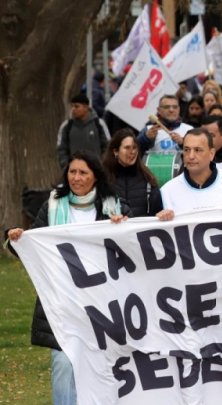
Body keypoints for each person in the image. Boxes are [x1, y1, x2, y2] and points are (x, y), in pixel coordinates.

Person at [6, 151, 129, 405]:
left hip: (102, 302)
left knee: (102, 365)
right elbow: (35, 244)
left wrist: (122, 226)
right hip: (62, 300)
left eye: (83, 172)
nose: (76, 177)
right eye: (72, 172)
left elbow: (131, 248)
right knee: (63, 364)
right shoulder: (52, 205)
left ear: (95, 176)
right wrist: (17, 238)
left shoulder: (114, 206)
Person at [157, 128, 222, 217]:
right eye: (186, 150)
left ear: (211, 154)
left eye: (198, 150)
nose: (191, 156)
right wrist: (161, 220)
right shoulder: (166, 192)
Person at [102, 129, 163, 217]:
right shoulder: (103, 179)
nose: (132, 152)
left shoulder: (148, 179)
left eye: (134, 147)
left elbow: (157, 213)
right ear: (115, 151)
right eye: (127, 148)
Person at [56, 93, 111, 169]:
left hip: (96, 171)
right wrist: (67, 167)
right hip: (74, 172)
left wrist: (101, 166)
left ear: (86, 107)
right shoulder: (66, 126)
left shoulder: (99, 124)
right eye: (72, 106)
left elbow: (108, 146)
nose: (73, 109)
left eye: (76, 106)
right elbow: (61, 149)